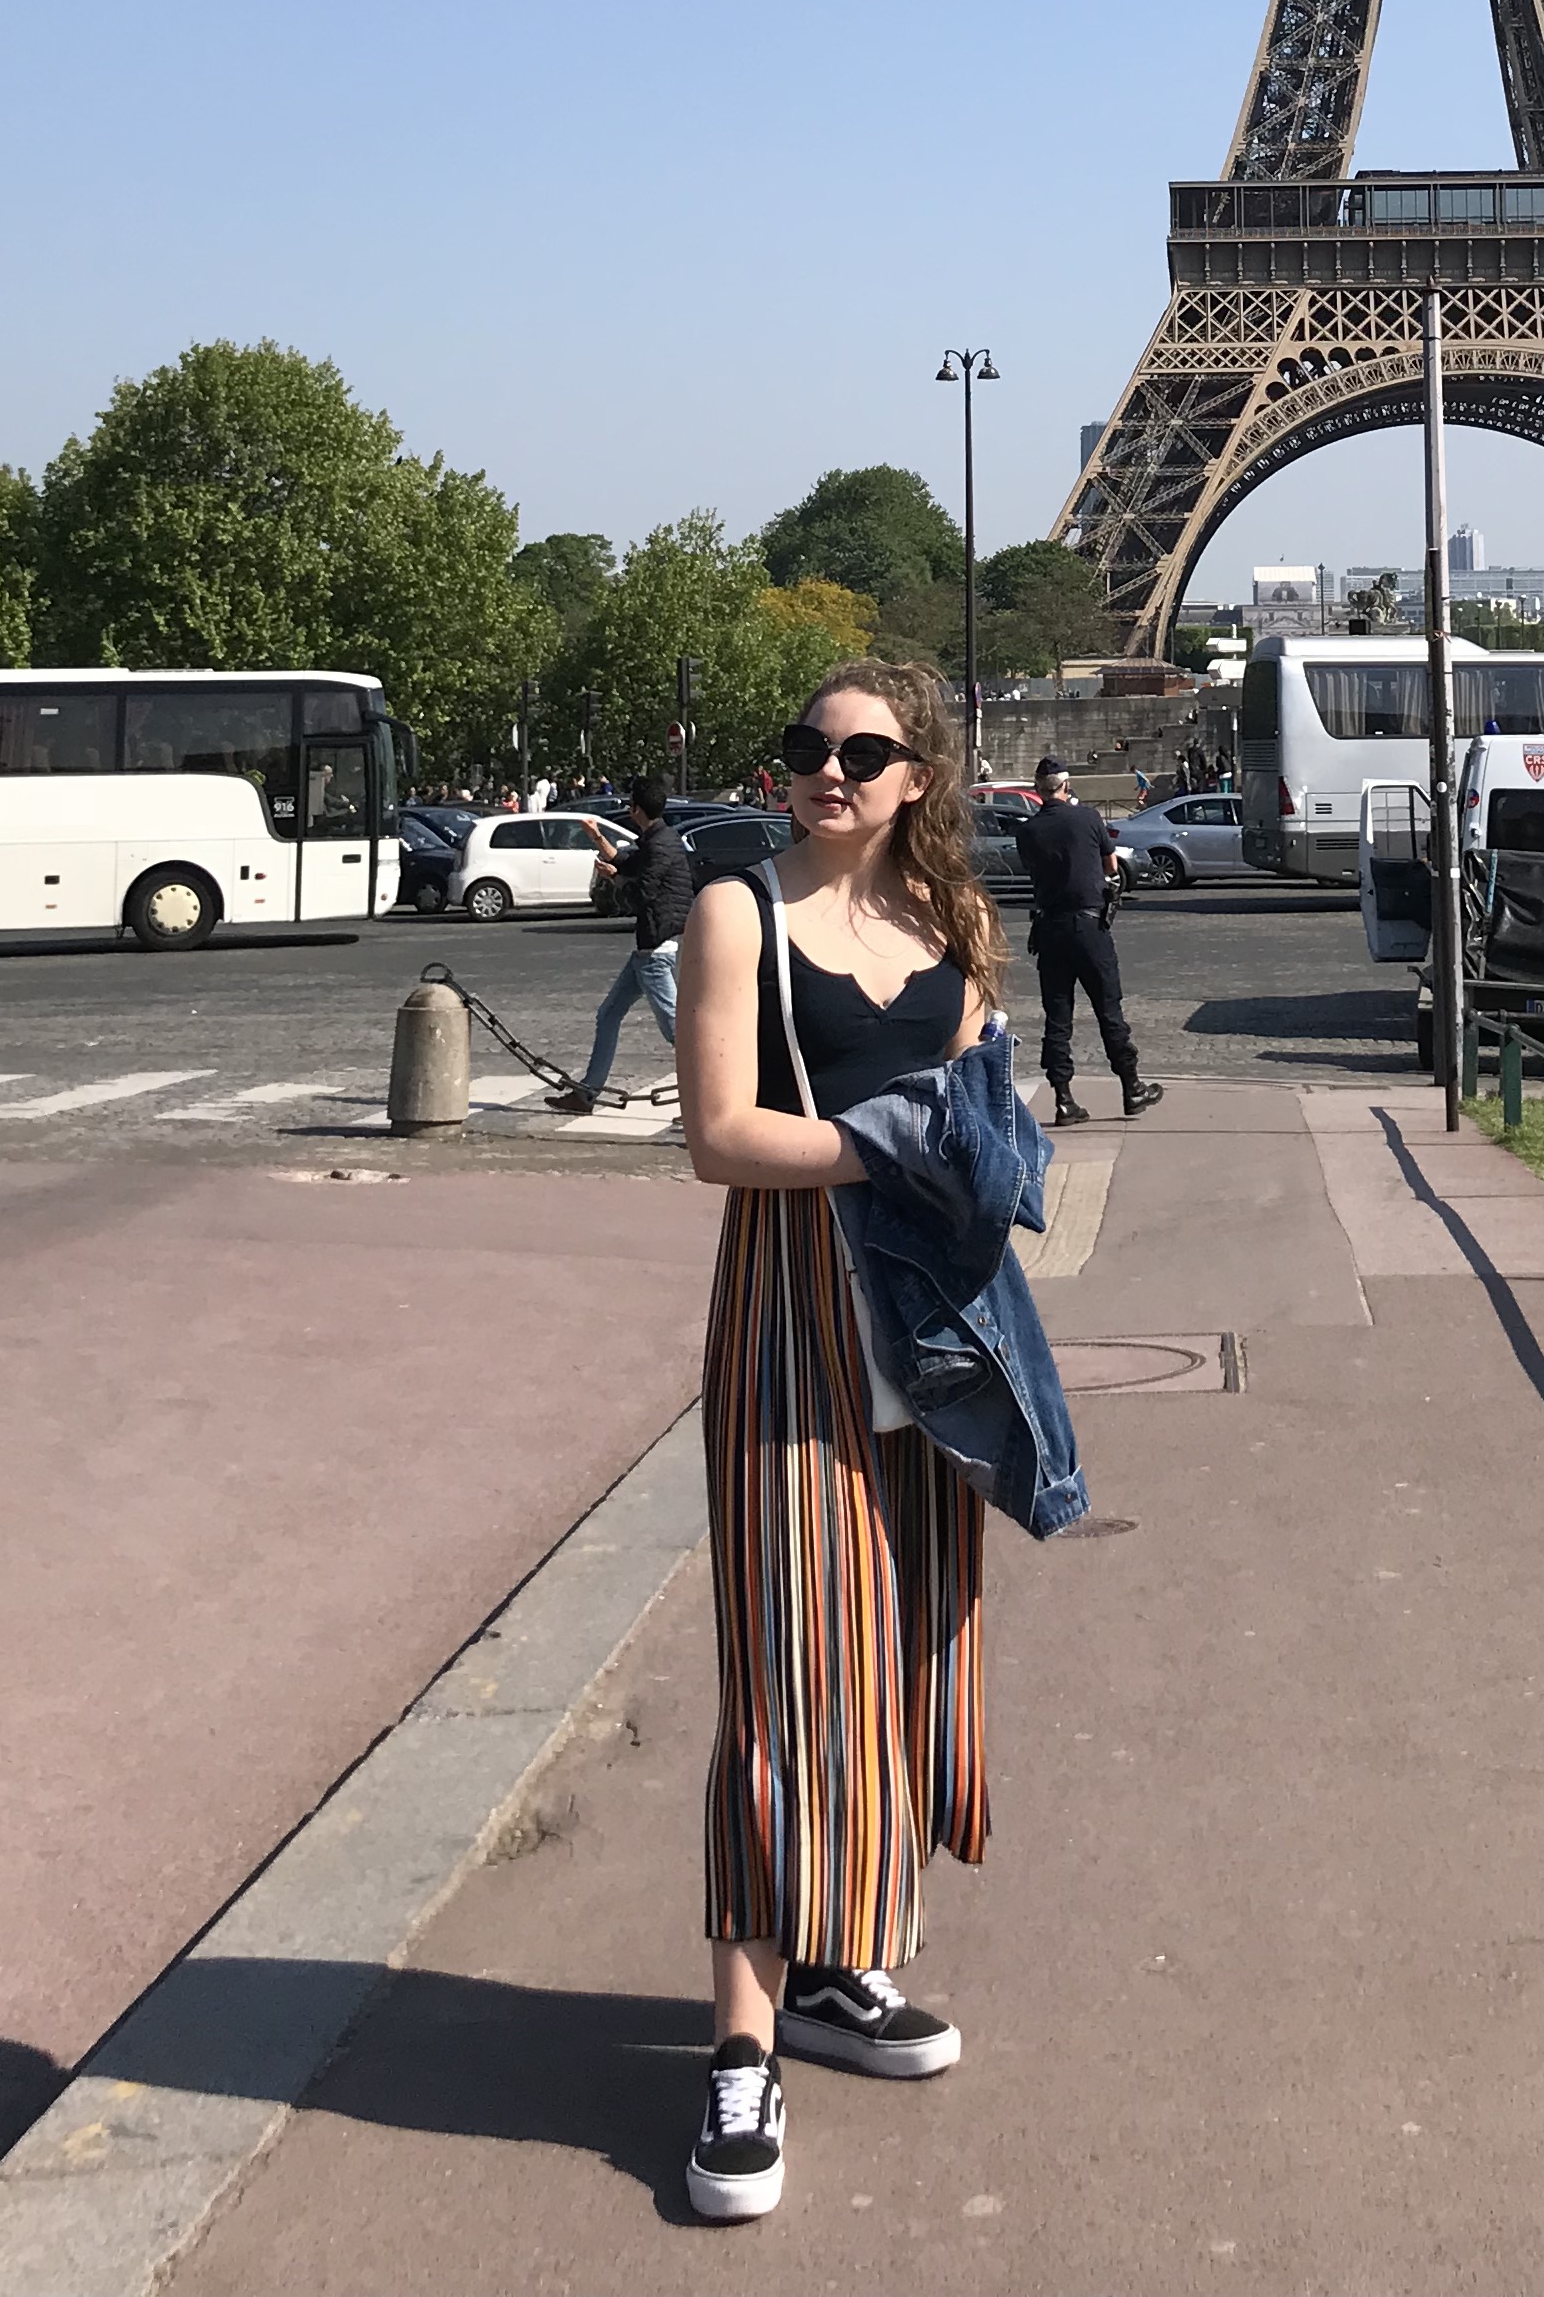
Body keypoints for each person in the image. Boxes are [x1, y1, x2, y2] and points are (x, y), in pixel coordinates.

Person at [672, 659, 1001, 2225]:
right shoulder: (737, 911)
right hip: (793, 1314)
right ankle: (741, 2049)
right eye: (806, 746)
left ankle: (834, 1964)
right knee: (788, 1675)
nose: (827, 770)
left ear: (915, 775)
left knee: (904, 1651)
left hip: (932, 1323)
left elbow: (981, 1110)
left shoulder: (955, 924)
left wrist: (985, 1155)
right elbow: (718, 1137)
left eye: (862, 753)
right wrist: (900, 1149)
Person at [1012, 756, 1162, 1129]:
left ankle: (1063, 1099)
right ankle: (1131, 1087)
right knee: (1109, 1009)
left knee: (1057, 1017)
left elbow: (1034, 870)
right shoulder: (1088, 818)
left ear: (1038, 790)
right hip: (1089, 927)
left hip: (1049, 928)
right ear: (1066, 786)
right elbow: (1111, 866)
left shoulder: (1027, 832)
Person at [555, 780, 694, 1110]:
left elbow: (641, 893)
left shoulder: (659, 846)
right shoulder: (660, 838)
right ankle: (586, 1093)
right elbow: (626, 861)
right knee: (608, 1015)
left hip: (656, 949)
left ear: (636, 810)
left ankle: (708, 1098)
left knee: (677, 1031)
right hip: (650, 949)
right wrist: (597, 838)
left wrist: (613, 878)